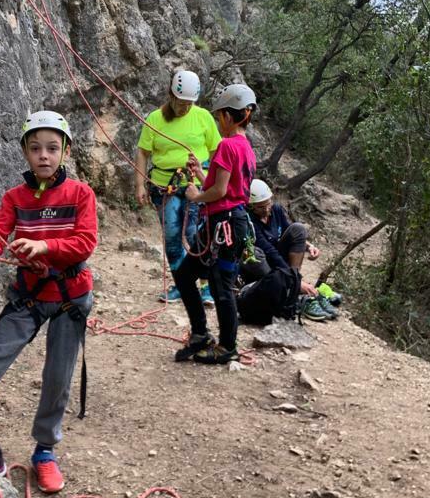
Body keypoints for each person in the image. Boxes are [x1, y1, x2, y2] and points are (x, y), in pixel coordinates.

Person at [0, 110, 97, 494]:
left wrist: (45, 246)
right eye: (36, 148)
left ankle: (45, 451)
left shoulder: (81, 194)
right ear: (25, 152)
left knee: (57, 376)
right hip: (29, 295)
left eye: (52, 148)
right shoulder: (15, 197)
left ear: (66, 152)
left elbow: (85, 242)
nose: (44, 155)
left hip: (69, 296)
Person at [172, 83, 257, 365]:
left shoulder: (226, 145)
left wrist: (196, 196)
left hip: (223, 225)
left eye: (220, 116)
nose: (219, 122)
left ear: (229, 116)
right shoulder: (245, 147)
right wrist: (200, 173)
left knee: (221, 286)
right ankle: (200, 334)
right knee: (185, 274)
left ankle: (227, 346)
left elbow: (219, 191)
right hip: (229, 223)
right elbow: (225, 185)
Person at [135, 68, 220, 305]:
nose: (185, 108)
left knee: (195, 234)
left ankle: (206, 285)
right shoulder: (155, 119)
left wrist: (210, 181)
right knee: (173, 236)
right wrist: (139, 184)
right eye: (181, 103)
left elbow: (216, 151)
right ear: (171, 95)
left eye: (189, 104)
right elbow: (143, 152)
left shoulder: (203, 117)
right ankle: (182, 284)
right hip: (165, 187)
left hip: (195, 185)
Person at [244, 180, 336, 322]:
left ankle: (293, 284)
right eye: (261, 207)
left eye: (268, 204)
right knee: (255, 253)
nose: (267, 209)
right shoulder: (248, 221)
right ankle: (293, 289)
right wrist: (296, 282)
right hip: (264, 265)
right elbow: (270, 252)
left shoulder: (276, 210)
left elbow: (289, 230)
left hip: (281, 264)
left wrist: (309, 246)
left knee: (298, 229)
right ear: (251, 207)